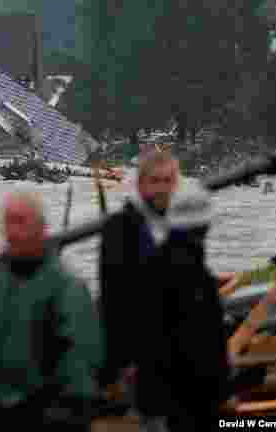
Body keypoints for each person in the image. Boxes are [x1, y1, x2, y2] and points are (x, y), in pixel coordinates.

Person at [0, 191, 102, 431]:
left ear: (42, 228)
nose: (13, 232)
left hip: (42, 413)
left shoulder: (67, 288)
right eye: (9, 222)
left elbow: (80, 364)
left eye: (21, 222)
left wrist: (66, 413)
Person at [134, 184, 231, 431]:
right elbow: (202, 348)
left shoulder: (151, 267)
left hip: (155, 401)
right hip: (188, 403)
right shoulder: (195, 277)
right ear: (206, 225)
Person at [98, 149, 180, 394]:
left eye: (168, 182)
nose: (162, 188)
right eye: (155, 181)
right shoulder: (120, 228)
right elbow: (114, 299)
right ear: (142, 185)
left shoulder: (180, 225)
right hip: (133, 345)